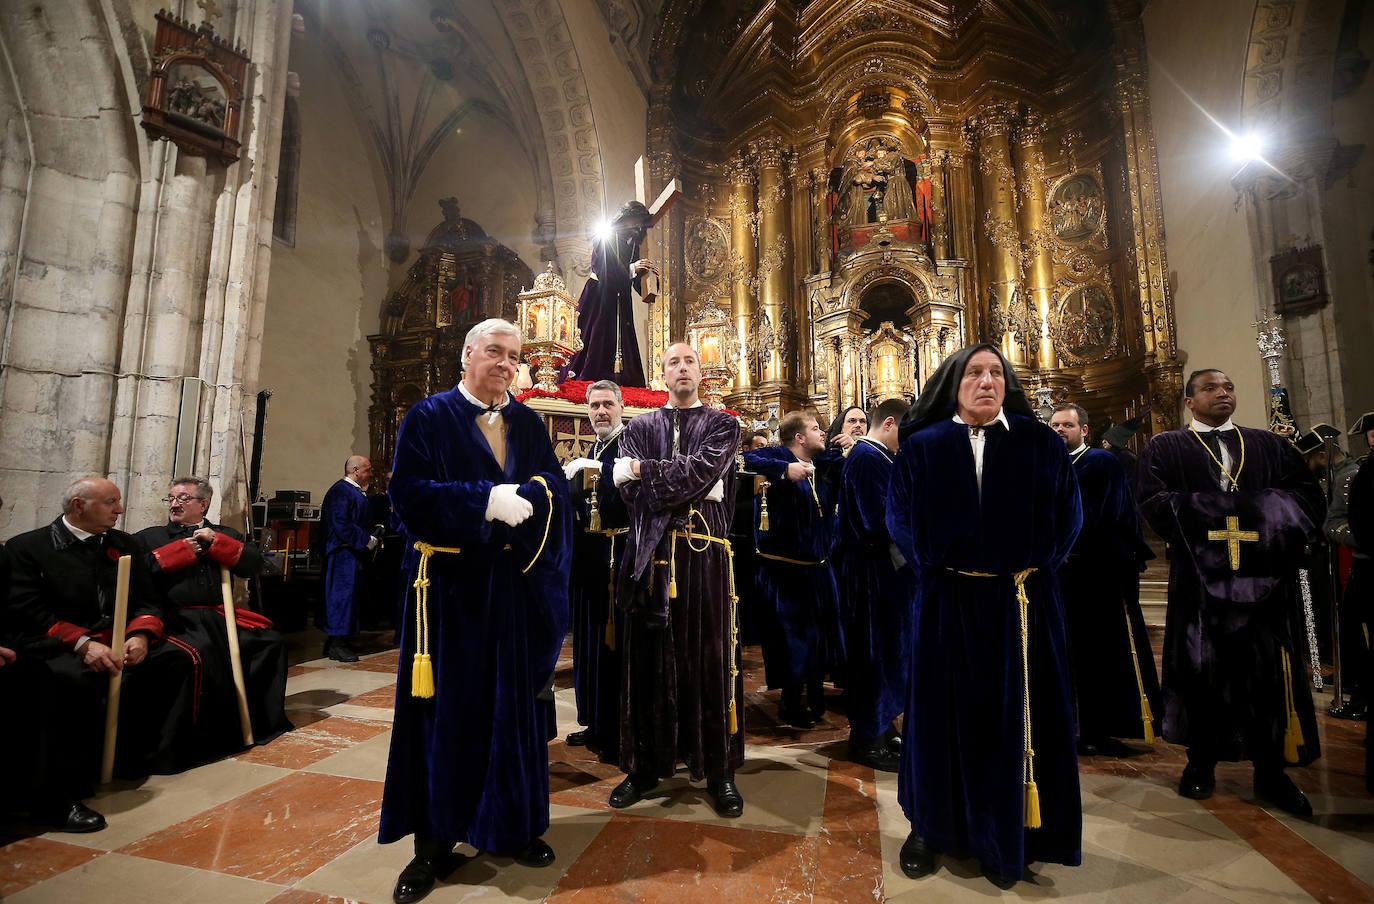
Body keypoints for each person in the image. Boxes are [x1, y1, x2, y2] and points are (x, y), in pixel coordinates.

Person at [379, 318, 571, 904]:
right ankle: (433, 844)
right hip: (447, 593)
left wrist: (534, 493)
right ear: (468, 355)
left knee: (511, 712)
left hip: (509, 590)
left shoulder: (528, 423)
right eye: (495, 352)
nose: (506, 364)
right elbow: (407, 496)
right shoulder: (428, 417)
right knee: (447, 715)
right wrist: (482, 500)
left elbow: (555, 487)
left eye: (514, 356)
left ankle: (511, 826)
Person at [886, 344, 1082, 888]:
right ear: (956, 383)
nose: (987, 382)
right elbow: (898, 517)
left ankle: (1012, 831)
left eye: (996, 373)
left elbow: (1069, 516)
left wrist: (1034, 569)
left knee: (1018, 718)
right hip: (946, 603)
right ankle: (930, 826)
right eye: (975, 373)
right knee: (939, 717)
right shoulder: (922, 447)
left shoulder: (1040, 443)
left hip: (1021, 605)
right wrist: (936, 568)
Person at [1137, 369, 1324, 816]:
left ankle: (1271, 771)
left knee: (1265, 676)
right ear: (1189, 401)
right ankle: (1200, 763)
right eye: (1210, 388)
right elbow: (1151, 501)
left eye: (1229, 387)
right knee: (1203, 673)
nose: (1223, 393)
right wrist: (1230, 514)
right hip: (1200, 587)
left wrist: (1243, 513)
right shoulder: (1165, 447)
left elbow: (1305, 497)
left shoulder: (1269, 445)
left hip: (1264, 585)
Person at [609, 342, 743, 817]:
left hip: (705, 559)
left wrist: (644, 470)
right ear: (662, 376)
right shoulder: (639, 426)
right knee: (648, 665)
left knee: (708, 659)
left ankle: (719, 769)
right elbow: (629, 497)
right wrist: (674, 483)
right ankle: (644, 767)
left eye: (689, 361)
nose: (682, 368)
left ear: (701, 372)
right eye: (673, 363)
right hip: (652, 557)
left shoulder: (725, 423)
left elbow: (701, 473)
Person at [6, 478, 200, 780]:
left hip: (119, 637)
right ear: (78, 506)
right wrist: (83, 644)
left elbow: (148, 599)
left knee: (176, 660)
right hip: (58, 643)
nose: (120, 510)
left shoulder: (124, 544)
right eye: (111, 502)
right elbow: (28, 610)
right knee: (66, 679)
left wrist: (140, 636)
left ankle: (146, 757)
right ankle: (70, 778)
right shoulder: (28, 548)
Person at [135, 476, 291, 755]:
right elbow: (137, 571)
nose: (174, 503)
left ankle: (259, 723)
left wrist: (217, 543)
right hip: (177, 619)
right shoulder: (149, 537)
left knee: (269, 643)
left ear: (203, 504)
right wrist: (181, 551)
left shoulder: (225, 533)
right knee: (202, 652)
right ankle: (202, 738)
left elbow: (254, 564)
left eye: (183, 498)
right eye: (171, 498)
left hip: (220, 617)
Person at [1049, 404, 1161, 755]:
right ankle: (1064, 724)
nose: (1059, 431)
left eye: (1067, 425)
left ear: (1084, 430)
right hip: (1057, 576)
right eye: (1053, 425)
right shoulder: (1045, 465)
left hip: (1095, 574)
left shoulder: (1101, 462)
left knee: (1099, 654)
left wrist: (1068, 544)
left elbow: (1110, 515)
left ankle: (1099, 728)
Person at [745, 410, 842, 729]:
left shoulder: (821, 465)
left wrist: (855, 446)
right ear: (799, 437)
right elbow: (747, 460)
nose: (822, 433)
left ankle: (814, 696)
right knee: (792, 640)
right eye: (816, 429)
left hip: (817, 568)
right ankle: (790, 702)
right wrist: (785, 469)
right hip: (784, 572)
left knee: (817, 639)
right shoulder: (778, 456)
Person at [832, 397, 911, 770]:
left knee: (888, 652)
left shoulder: (880, 458)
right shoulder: (866, 458)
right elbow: (874, 520)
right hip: (869, 571)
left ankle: (880, 727)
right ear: (891, 423)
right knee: (874, 654)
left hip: (880, 568)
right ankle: (867, 738)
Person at [560, 380, 630, 757]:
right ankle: (593, 720)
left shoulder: (629, 445)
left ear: (621, 406)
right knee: (587, 642)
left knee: (612, 644)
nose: (600, 412)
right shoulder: (592, 447)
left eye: (607, 404)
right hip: (589, 558)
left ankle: (616, 726)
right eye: (594, 406)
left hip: (617, 556)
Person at [563, 201, 657, 387]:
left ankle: (623, 381)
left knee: (623, 342)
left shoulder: (633, 246)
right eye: (634, 222)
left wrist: (650, 278)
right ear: (624, 218)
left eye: (640, 224)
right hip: (599, 299)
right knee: (595, 341)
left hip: (621, 301)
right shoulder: (604, 238)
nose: (637, 228)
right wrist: (632, 269)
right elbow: (603, 272)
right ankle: (588, 379)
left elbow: (636, 282)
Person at [320, 455, 383, 662]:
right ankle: (337, 644)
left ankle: (340, 640)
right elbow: (341, 524)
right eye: (368, 469)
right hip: (342, 554)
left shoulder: (353, 492)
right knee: (341, 598)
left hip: (352, 554)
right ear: (355, 470)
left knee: (351, 597)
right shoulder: (340, 491)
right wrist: (366, 539)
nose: (371, 474)